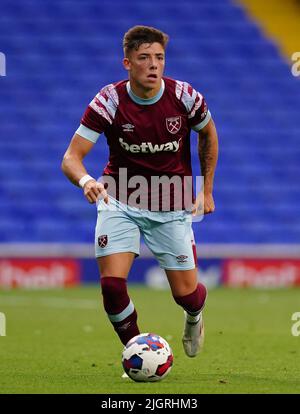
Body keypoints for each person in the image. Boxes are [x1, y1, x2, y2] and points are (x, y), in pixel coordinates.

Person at [61, 25, 218, 358]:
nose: (153, 65)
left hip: (171, 204)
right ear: (127, 63)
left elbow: (208, 134)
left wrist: (205, 190)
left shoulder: (184, 97)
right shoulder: (109, 100)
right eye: (144, 57)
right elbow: (71, 158)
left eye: (159, 57)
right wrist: (87, 181)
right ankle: (136, 353)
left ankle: (194, 317)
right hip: (119, 199)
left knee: (187, 295)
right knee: (112, 287)